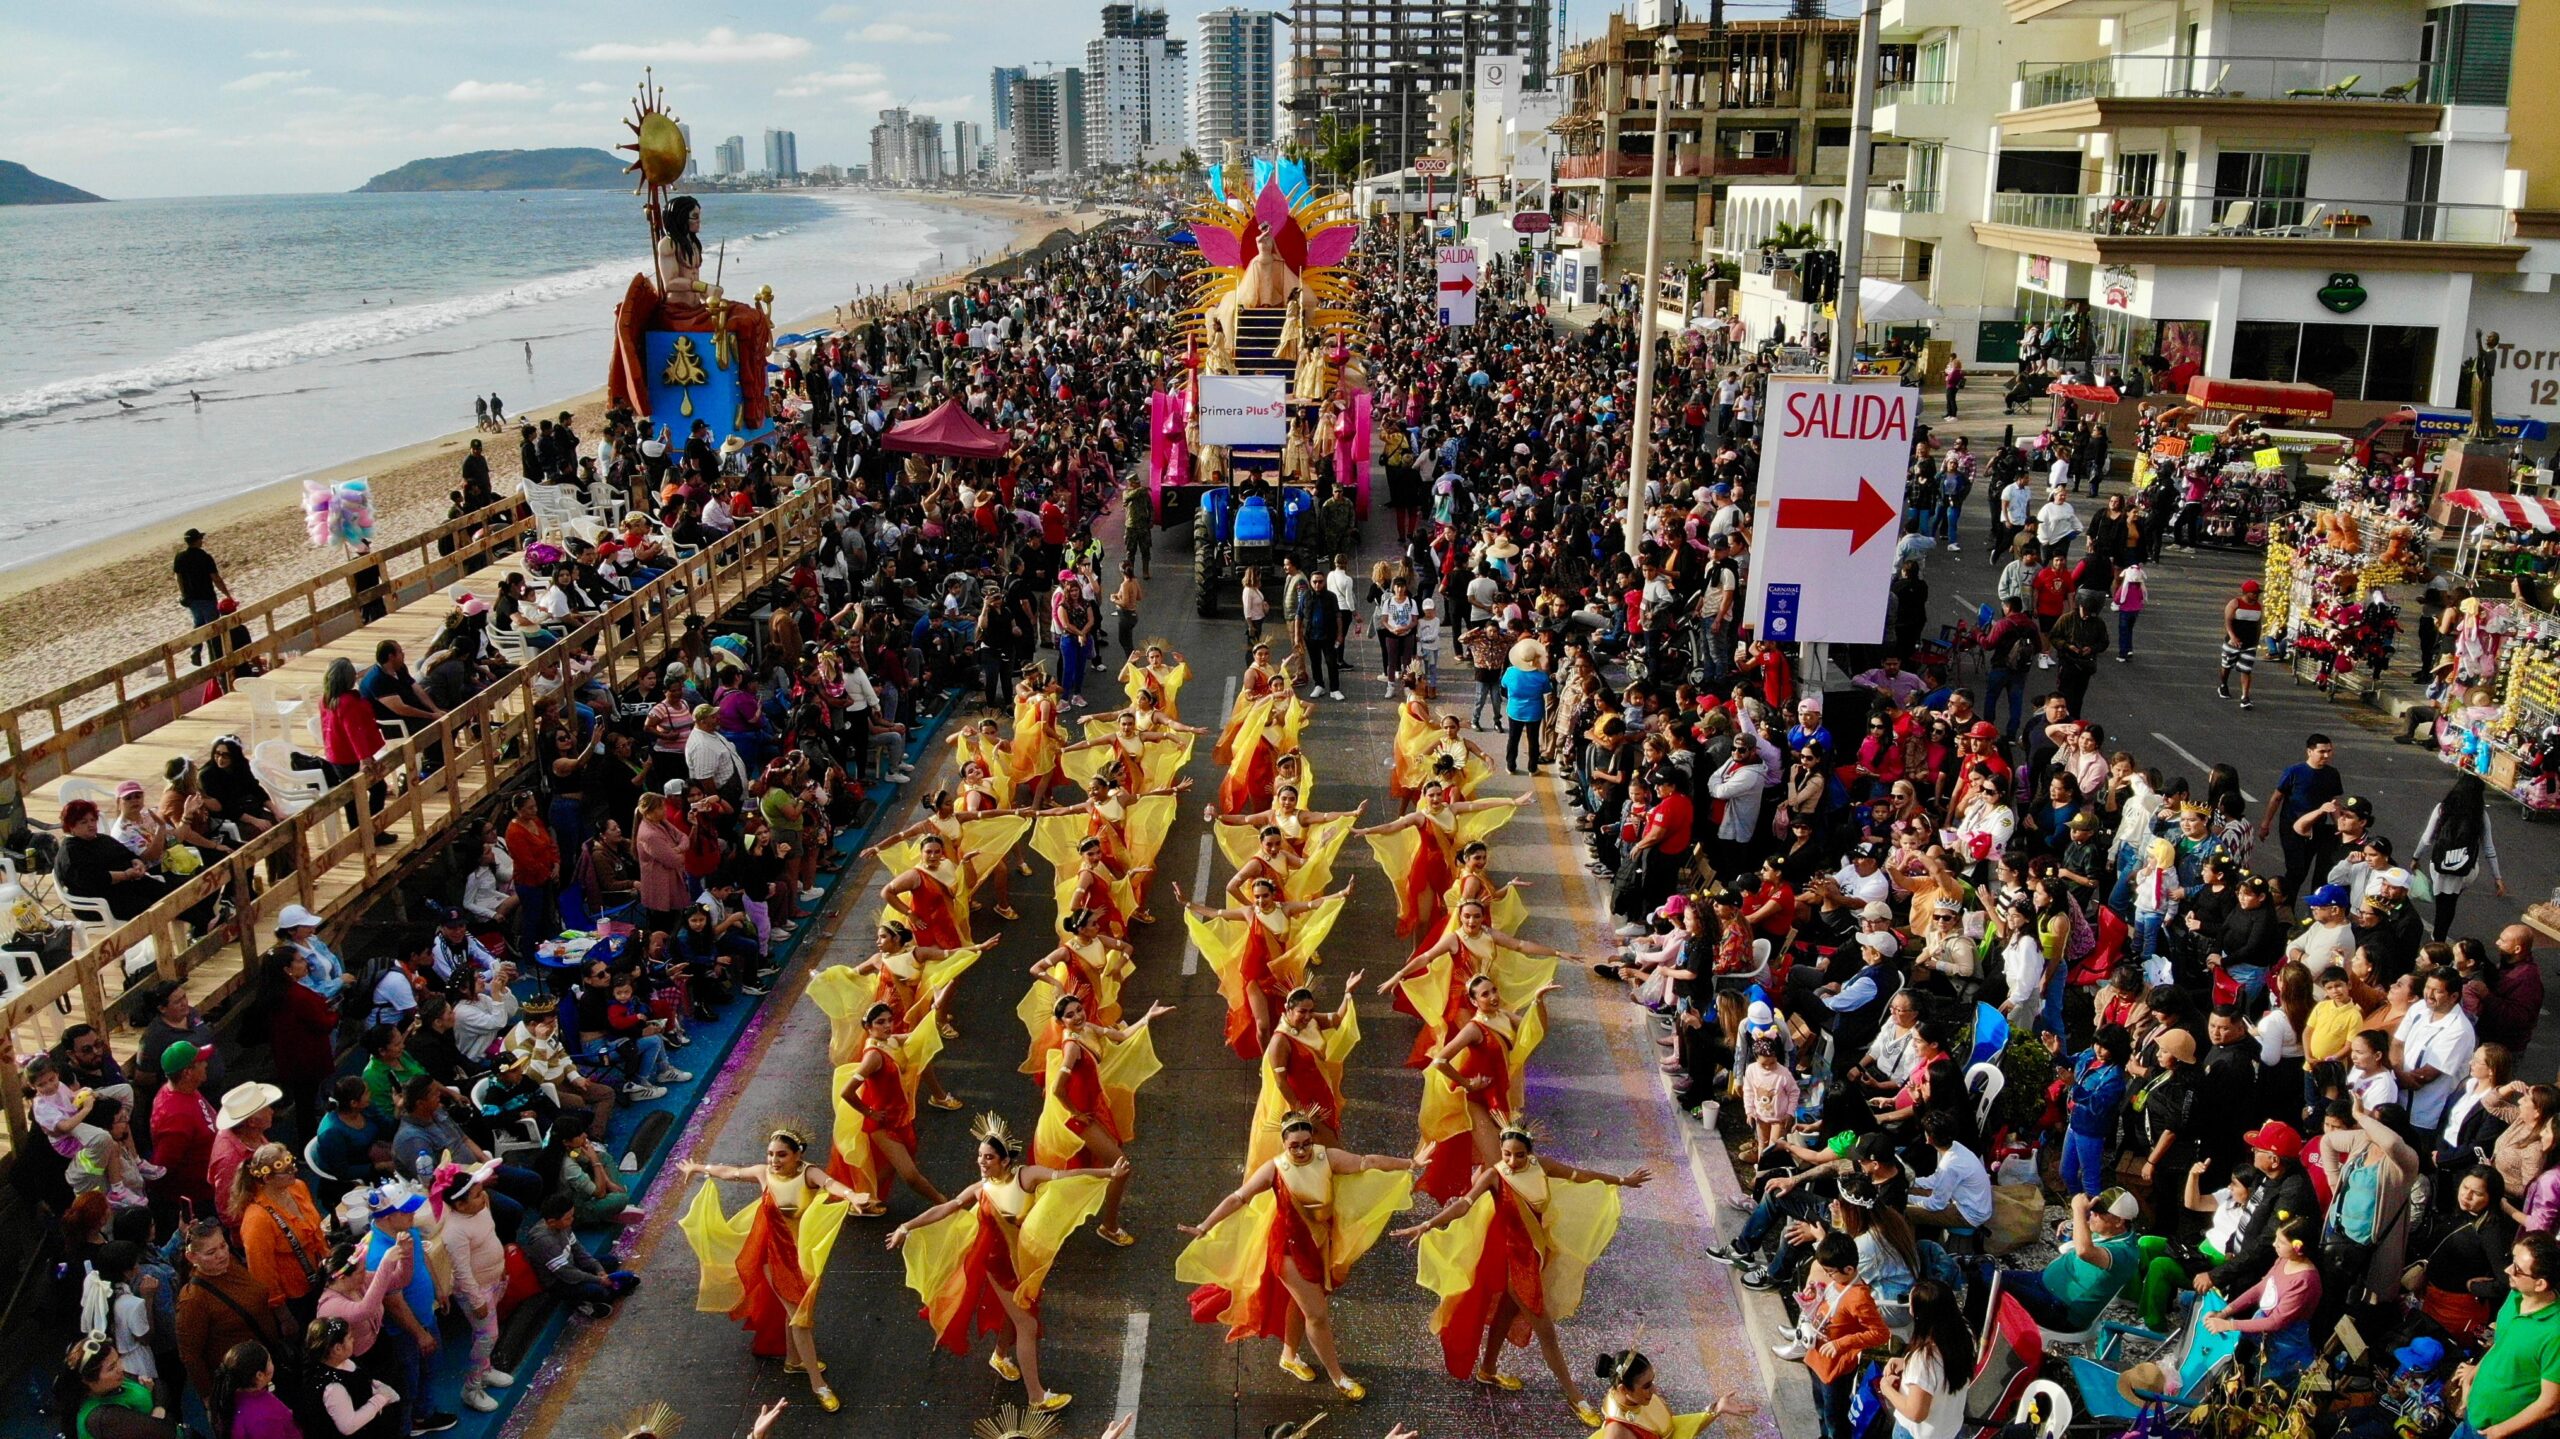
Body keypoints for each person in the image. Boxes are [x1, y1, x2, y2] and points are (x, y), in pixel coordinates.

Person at [1392, 1119, 1652, 1424]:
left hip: (1535, 1255)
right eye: (1506, 1154)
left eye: (1518, 1155)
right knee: (1547, 1334)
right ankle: (1575, 1397)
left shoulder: (1541, 1167)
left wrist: (1621, 1180)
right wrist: (1429, 1223)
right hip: (1514, 1262)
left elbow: (1582, 1176)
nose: (1512, 1161)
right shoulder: (1494, 1175)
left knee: (1505, 1312)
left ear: (1529, 1152)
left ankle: (1487, 1370)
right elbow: (1464, 1204)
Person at [884, 1113, 1127, 1417]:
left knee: (1016, 1316)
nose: (982, 1162)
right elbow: (948, 1207)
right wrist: (907, 1226)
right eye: (980, 1156)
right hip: (997, 1265)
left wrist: (1108, 1172)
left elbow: (1065, 1177)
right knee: (1027, 1323)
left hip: (1022, 1260)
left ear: (1004, 1160)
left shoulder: (1026, 1177)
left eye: (988, 1157)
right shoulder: (981, 1189)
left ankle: (1000, 1355)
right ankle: (1036, 1397)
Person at [1175, 1111, 1417, 1402]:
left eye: (1305, 1143)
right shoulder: (1274, 1169)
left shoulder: (1326, 1157)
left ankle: (1289, 1355)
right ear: (1283, 1144)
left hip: (1320, 1245)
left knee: (1300, 1302)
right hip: (1288, 1249)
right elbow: (1238, 1197)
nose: (1301, 1151)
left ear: (1312, 1138)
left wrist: (1409, 1163)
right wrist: (1205, 1225)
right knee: (1317, 1315)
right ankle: (1338, 1376)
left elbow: (1368, 1162)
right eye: (1294, 1146)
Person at [676, 1127, 864, 1410]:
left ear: (797, 1154)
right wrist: (699, 1167)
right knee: (800, 1318)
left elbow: (831, 1184)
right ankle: (819, 1384)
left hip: (802, 1257)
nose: (774, 1160)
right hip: (773, 1257)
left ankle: (793, 1360)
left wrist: (852, 1195)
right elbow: (732, 1172)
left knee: (799, 1311)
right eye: (771, 1154)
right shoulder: (765, 1173)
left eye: (782, 1155)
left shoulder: (808, 1174)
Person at [1878, 1279, 1975, 1439]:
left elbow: (1916, 1413)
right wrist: (1906, 1363)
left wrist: (1886, 1388)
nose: (1909, 1309)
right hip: (1950, 1427)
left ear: (1921, 1314)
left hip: (1916, 1433)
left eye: (1911, 1305)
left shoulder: (1924, 1359)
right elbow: (1942, 1370)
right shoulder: (1965, 1333)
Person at [174, 529, 234, 666]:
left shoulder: (180, 557)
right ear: (197, 540)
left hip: (191, 599)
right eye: (200, 538)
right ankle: (216, 657)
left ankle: (196, 650)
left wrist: (183, 594)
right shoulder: (205, 557)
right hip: (206, 597)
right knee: (213, 629)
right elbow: (215, 578)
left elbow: (178, 578)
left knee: (198, 623)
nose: (202, 540)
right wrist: (227, 594)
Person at [2220, 579, 2266, 710]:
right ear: (2246, 593)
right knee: (2227, 665)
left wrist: (2257, 640)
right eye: (2254, 593)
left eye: (2258, 593)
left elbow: (2258, 624)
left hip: (2249, 643)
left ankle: (2245, 697)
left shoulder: (2258, 606)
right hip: (2233, 642)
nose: (2257, 595)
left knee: (2246, 670)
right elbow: (2228, 621)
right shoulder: (2235, 603)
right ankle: (2223, 684)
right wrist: (2233, 637)